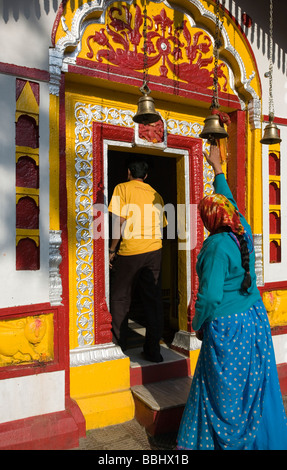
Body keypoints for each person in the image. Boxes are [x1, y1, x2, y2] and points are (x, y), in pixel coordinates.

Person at [177, 144, 287, 450]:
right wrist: (218, 169)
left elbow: (210, 297)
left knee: (225, 395)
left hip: (228, 326)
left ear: (208, 220)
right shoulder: (244, 232)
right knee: (256, 386)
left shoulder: (214, 247)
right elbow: (233, 205)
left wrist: (197, 324)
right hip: (254, 318)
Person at [108, 158, 167, 362]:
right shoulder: (155, 193)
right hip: (154, 250)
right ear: (146, 176)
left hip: (131, 250)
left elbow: (119, 221)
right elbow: (162, 224)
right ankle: (153, 351)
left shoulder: (122, 188)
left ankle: (118, 347)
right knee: (153, 301)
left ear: (128, 172)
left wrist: (112, 249)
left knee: (121, 298)